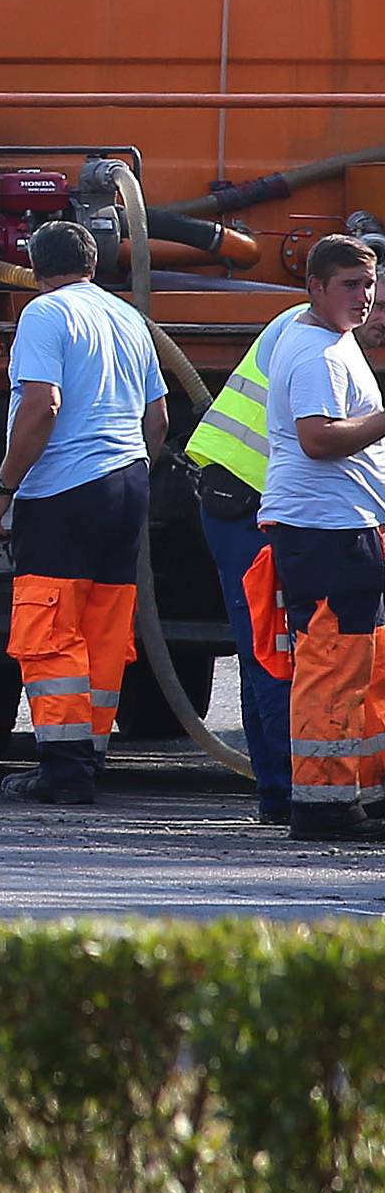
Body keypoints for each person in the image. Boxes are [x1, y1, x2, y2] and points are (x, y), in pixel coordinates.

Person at [0, 218, 169, 806]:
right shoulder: (129, 317)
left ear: (35, 267)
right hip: (127, 482)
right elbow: (157, 419)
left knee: (51, 627)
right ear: (95, 263)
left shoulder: (45, 314)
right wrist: (128, 471)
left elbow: (42, 406)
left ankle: (63, 767)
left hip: (64, 489)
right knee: (106, 626)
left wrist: (3, 486)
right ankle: (90, 753)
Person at [259, 233, 385, 843]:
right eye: (349, 286)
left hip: (343, 522)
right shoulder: (316, 353)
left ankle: (349, 792)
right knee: (332, 660)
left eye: (368, 285)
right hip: (322, 526)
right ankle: (321, 803)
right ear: (314, 286)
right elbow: (318, 438)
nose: (363, 298)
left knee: (355, 658)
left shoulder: (332, 340)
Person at [185, 301, 314, 825]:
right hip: (247, 498)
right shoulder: (309, 334)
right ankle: (285, 792)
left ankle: (278, 788)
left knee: (267, 648)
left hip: (260, 498)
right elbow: (319, 434)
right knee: (272, 648)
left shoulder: (327, 330)